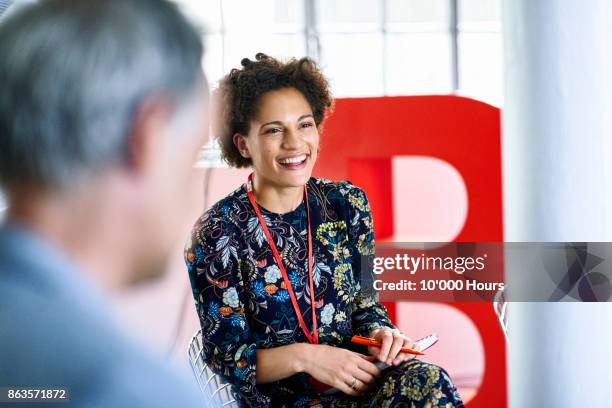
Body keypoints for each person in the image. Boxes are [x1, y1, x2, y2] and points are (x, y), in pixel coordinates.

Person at [185, 53, 463, 407]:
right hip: (282, 402)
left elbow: (366, 306)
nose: (294, 143)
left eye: (304, 125)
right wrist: (308, 357)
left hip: (362, 384)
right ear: (243, 144)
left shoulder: (347, 204)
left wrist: (382, 334)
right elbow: (227, 357)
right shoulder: (217, 232)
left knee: (429, 382)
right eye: (274, 130)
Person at [0, 1, 213, 407]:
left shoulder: (347, 206)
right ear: (146, 137)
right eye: (191, 155)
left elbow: (365, 295)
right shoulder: (131, 390)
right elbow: (227, 348)